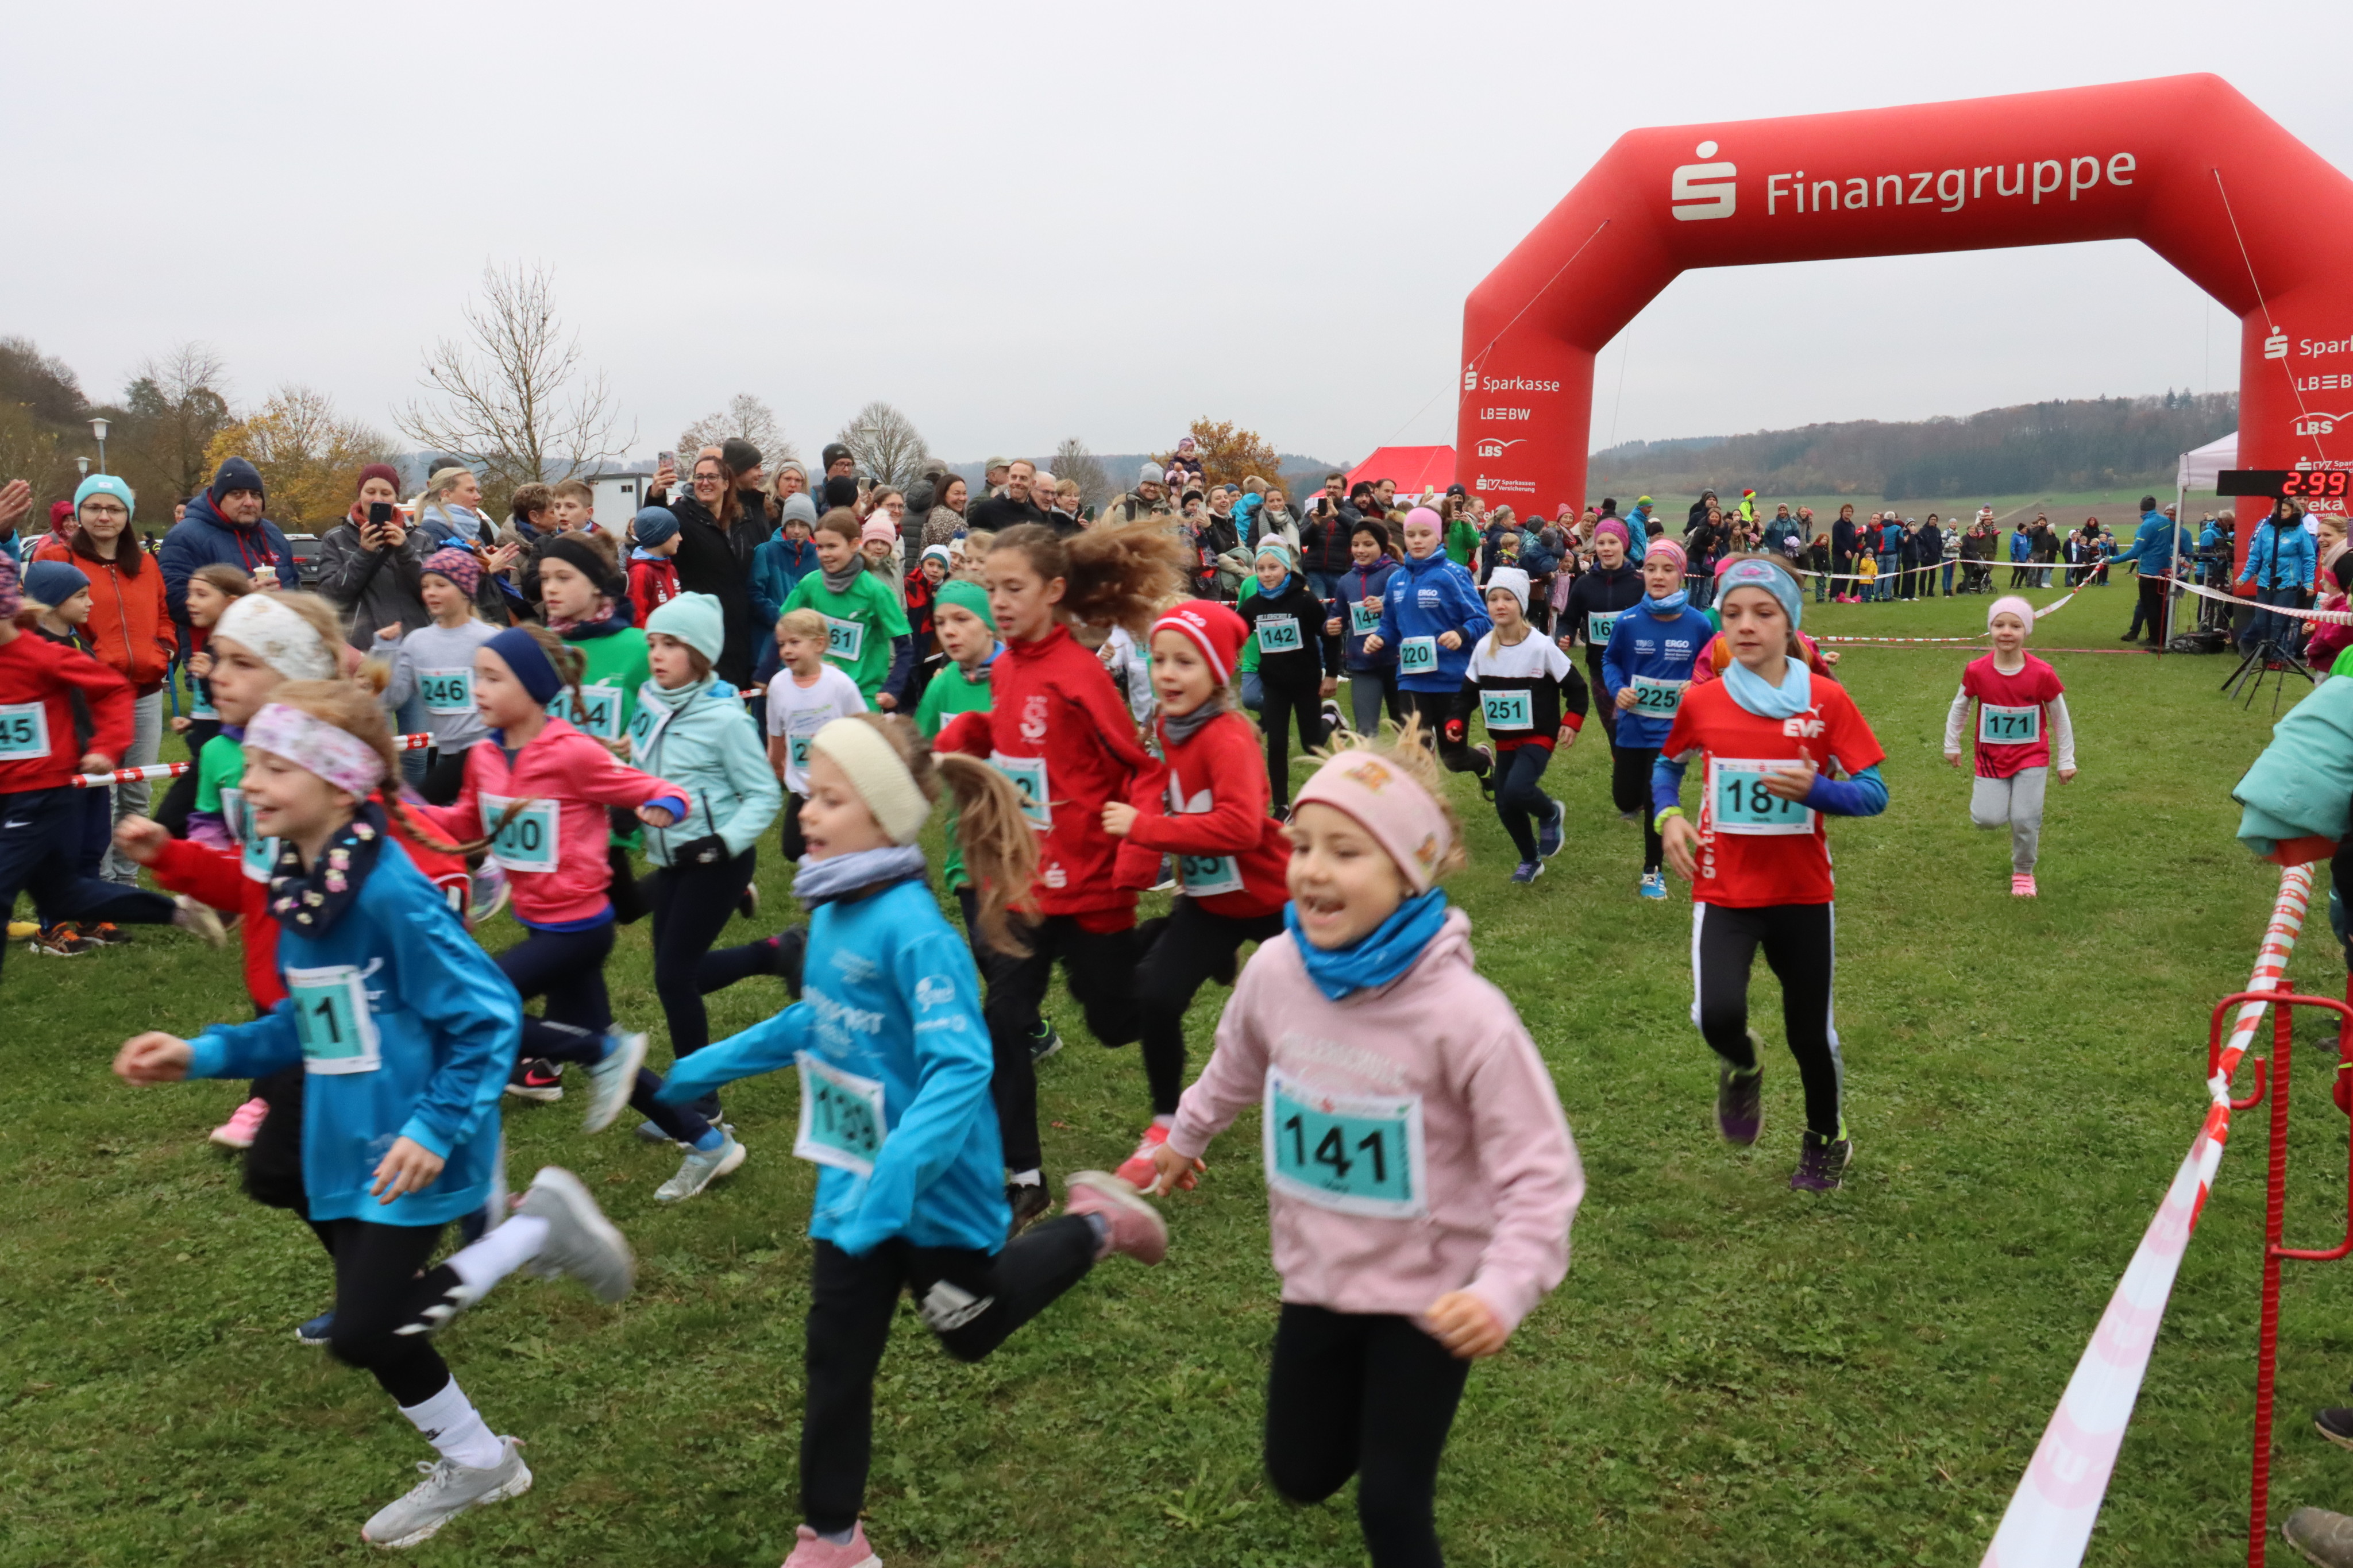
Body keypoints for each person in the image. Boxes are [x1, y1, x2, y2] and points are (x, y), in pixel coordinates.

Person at [109, 680, 638, 1550]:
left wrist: (433, 1128)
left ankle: (532, 1229)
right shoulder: (305, 885)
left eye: (276, 767)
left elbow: (488, 1017)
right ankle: (478, 1460)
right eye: (252, 765)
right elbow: (308, 1020)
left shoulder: (388, 894)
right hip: (344, 1143)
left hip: (415, 1144)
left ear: (339, 781)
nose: (251, 781)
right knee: (379, 1325)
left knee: (361, 1331)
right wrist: (200, 1055)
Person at [652, 713, 1168, 1568]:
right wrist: (705, 1066)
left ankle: (1095, 1224)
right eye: (810, 794)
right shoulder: (834, 909)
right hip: (853, 1184)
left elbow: (961, 1068)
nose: (807, 811)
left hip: (931, 1193)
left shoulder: (914, 930)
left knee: (971, 1324)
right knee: (836, 1355)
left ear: (886, 815)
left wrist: (895, 1179)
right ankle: (833, 1539)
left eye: (830, 798)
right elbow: (817, 1019)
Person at [1147, 735, 1583, 1568]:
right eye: (1302, 845)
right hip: (1318, 1274)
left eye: (1346, 852)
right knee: (1300, 1472)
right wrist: (1185, 1134)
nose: (1312, 870)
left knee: (1391, 1502)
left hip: (1431, 1297)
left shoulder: (1467, 1017)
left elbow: (1542, 1175)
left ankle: (1395, 1422)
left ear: (1408, 872)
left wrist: (1501, 1290)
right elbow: (1236, 1063)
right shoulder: (1276, 970)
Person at [932, 518, 1190, 1227]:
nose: (999, 603)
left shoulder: (1080, 675)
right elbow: (1009, 740)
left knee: (1114, 1022)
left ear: (1052, 591)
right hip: (1022, 884)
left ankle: (1178, 942)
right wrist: (966, 737)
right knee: (1002, 1019)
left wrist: (1137, 856)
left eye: (1013, 589)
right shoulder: (1005, 667)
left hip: (1090, 889)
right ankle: (1025, 1177)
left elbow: (1140, 768)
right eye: (992, 589)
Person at [406, 625, 716, 1177]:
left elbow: (651, 788)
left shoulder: (572, 752)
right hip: (537, 922)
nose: (478, 689)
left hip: (580, 927)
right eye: (477, 676)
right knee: (603, 1048)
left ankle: (602, 1055)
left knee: (477, 1002)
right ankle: (708, 1143)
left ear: (532, 687)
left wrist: (667, 803)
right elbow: (467, 824)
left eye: (493, 678)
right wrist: (407, 813)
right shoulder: (485, 756)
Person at [1654, 557, 1888, 1191]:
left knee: (1810, 1034)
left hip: (1801, 895)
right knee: (1716, 1016)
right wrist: (1668, 816)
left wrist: (1819, 791)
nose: (1746, 626)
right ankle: (1742, 1063)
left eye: (1763, 613)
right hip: (1724, 889)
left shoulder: (1827, 700)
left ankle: (1827, 1136)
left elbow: (1873, 792)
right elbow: (1667, 766)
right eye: (1732, 613)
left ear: (1790, 623)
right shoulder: (1702, 701)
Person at [1092, 600, 1294, 1185]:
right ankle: (1165, 1123)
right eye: (1159, 660)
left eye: (1185, 662)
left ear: (1219, 673)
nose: (1167, 674)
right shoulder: (1168, 725)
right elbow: (1173, 794)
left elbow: (1240, 828)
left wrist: (1147, 829)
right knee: (1157, 1000)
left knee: (1319, 1002)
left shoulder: (1227, 736)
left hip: (1273, 898)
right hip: (1210, 902)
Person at [624, 593, 791, 1192]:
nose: (657, 654)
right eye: (653, 642)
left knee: (674, 977)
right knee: (678, 973)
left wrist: (722, 845)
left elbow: (763, 795)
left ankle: (703, 1104)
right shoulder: (649, 700)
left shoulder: (725, 719)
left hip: (718, 860)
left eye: (671, 644)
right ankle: (773, 954)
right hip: (671, 859)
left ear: (700, 654)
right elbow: (644, 765)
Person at [29, 474, 176, 886]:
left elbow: (164, 614)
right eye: (93, 507)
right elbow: (37, 619)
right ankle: (99, 881)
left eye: (114, 508)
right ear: (79, 514)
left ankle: (126, 880)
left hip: (145, 691)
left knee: (138, 790)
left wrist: (165, 648)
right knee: (101, 791)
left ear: (128, 515)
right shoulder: (57, 559)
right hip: (90, 695)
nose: (104, 516)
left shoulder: (146, 564)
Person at [1452, 566, 1588, 885]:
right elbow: (1466, 695)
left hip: (1538, 735)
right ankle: (1530, 860)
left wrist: (1572, 720)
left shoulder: (1541, 646)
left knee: (1517, 789)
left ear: (1522, 604)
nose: (1500, 605)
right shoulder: (1483, 648)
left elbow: (1576, 687)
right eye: (1493, 599)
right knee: (1504, 803)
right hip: (1505, 739)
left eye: (1508, 599)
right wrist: (1456, 721)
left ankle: (1550, 813)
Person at [1944, 594, 2077, 897]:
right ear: (1990, 629)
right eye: (1999, 625)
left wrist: (2066, 760)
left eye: (2015, 626)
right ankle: (2005, 806)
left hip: (2032, 756)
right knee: (1987, 819)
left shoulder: (2042, 673)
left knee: (2025, 820)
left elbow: (2060, 717)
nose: (2006, 632)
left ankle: (2023, 872)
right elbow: (1960, 706)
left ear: (2026, 631)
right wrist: (1952, 743)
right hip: (1991, 758)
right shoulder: (1977, 670)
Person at [1603, 539, 1711, 900]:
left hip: (1671, 730)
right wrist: (1618, 689)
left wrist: (1697, 684)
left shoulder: (1698, 624)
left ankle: (1653, 871)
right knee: (1625, 798)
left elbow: (1712, 665)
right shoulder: (1629, 621)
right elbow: (1610, 660)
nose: (1658, 576)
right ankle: (1636, 802)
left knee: (1655, 797)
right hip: (1632, 725)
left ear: (1681, 575)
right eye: (1651, 569)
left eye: (1667, 569)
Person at [1363, 507, 1492, 785]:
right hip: (1411, 679)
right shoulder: (1396, 580)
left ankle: (1482, 761)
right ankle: (1421, 806)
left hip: (1450, 680)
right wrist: (1380, 638)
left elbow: (1482, 620)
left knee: (1453, 758)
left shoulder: (1453, 574)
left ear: (1439, 538)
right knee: (1414, 753)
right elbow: (1390, 624)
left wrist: (1461, 634)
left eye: (1425, 534)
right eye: (1411, 535)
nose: (1417, 540)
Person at [379, 549, 503, 806]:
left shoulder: (489, 639)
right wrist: (384, 650)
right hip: (447, 755)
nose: (431, 593)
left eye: (441, 585)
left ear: (465, 590)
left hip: (489, 753)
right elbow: (391, 699)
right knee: (432, 817)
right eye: (426, 586)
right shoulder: (417, 642)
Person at [152, 562, 252, 836]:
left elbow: (241, 705)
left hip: (228, 758)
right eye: (190, 594)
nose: (190, 602)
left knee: (169, 825)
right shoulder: (210, 643)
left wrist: (210, 677)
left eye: (202, 595)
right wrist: (195, 720)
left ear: (231, 603)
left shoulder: (239, 649)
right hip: (205, 754)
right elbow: (214, 707)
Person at [159, 458, 300, 650]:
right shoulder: (185, 536)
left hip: (276, 651)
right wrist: (242, 596)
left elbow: (295, 586)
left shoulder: (272, 533)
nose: (249, 502)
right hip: (217, 656)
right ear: (219, 499)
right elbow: (174, 602)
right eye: (237, 494)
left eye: (255, 495)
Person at [1244, 539, 1341, 816]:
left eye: (1273, 567)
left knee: (1312, 744)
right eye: (1261, 569)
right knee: (1276, 744)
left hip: (1306, 682)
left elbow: (1329, 636)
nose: (1267, 574)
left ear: (1287, 569)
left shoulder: (1305, 601)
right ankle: (1282, 807)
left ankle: (1330, 718)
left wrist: (1332, 674)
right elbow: (1234, 630)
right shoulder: (1253, 605)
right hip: (1274, 684)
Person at [766, 608, 870, 865]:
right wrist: (775, 763)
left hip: (837, 785)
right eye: (782, 644)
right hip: (802, 786)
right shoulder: (778, 685)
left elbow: (864, 729)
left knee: (835, 844)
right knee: (793, 848)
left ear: (819, 644)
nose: (786, 651)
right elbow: (776, 732)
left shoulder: (840, 685)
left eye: (794, 642)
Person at [782, 511, 914, 708]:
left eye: (832, 546)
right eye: (820, 547)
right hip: (820, 693)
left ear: (854, 545)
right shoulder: (810, 584)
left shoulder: (876, 592)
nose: (825, 554)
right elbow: (783, 628)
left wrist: (893, 688)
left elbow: (904, 646)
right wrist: (766, 674)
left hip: (862, 696)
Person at [314, 464, 430, 653]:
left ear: (395, 498)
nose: (378, 499)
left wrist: (405, 551)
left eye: (386, 493)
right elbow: (329, 597)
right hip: (361, 648)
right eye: (370, 492)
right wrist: (364, 554)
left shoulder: (420, 538)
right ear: (360, 495)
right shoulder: (336, 539)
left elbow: (432, 591)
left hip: (413, 645)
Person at [669, 453, 761, 687]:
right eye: (699, 477)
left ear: (726, 483)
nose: (705, 483)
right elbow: (656, 534)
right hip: (701, 627)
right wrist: (656, 497)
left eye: (711, 477)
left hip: (739, 626)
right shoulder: (681, 517)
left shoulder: (741, 520)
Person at [1328, 517, 1402, 736]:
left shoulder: (1395, 573)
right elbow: (1338, 614)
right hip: (1363, 663)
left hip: (1398, 662)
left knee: (1407, 730)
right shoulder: (1346, 581)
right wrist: (1330, 625)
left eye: (1368, 544)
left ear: (1383, 546)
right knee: (1366, 732)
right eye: (1356, 545)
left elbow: (1410, 608)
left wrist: (1385, 605)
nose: (1360, 550)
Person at [2238, 496, 2318, 659]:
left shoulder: (2301, 532)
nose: (2281, 512)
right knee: (2262, 621)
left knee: (2278, 622)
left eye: (2285, 510)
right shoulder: (2266, 530)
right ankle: (2249, 644)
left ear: (2294, 511)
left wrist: (2309, 582)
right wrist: (2244, 577)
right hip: (2265, 583)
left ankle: (2278, 657)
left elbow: (2309, 559)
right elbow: (2255, 557)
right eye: (2278, 509)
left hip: (2289, 584)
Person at [2111, 495, 2190, 646]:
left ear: (2141, 509)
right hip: (2164, 572)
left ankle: (2155, 640)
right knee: (2159, 607)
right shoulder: (2165, 522)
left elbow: (2135, 552)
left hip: (2150, 573)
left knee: (2150, 607)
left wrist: (2111, 560)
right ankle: (2161, 638)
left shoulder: (2147, 526)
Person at [752, 494, 823, 631]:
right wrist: (781, 618)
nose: (796, 531)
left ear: (811, 528)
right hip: (771, 633)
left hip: (806, 635)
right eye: (791, 524)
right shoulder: (766, 552)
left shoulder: (819, 557)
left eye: (803, 525)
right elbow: (754, 593)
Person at [624, 506, 682, 624]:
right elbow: (637, 619)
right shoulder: (640, 572)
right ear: (661, 535)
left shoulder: (670, 568)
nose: (680, 538)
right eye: (675, 533)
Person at [966, 458, 1051, 535]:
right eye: (1014, 477)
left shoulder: (1036, 516)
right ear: (1008, 479)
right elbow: (971, 542)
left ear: (1032, 484)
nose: (1017, 482)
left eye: (1023, 478)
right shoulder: (987, 510)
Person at [922, 473, 972, 546]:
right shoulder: (953, 522)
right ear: (943, 495)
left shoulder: (936, 513)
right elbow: (962, 550)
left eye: (964, 494)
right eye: (957, 494)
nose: (962, 498)